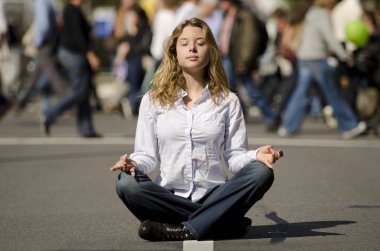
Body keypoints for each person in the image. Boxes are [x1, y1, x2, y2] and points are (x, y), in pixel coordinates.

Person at [110, 18, 283, 241]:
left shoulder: (228, 101)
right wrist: (133, 163)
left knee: (261, 172)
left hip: (214, 196)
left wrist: (256, 156)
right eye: (184, 43)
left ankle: (183, 229)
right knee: (126, 183)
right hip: (168, 197)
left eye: (200, 43)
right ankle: (221, 223)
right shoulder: (152, 101)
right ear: (174, 51)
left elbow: (234, 157)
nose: (192, 48)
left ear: (210, 50)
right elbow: (147, 156)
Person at [277, 0, 367, 139]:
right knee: (333, 93)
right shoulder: (321, 14)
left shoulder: (310, 13)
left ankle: (287, 126)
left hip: (304, 57)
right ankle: (350, 126)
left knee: (300, 94)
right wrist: (343, 56)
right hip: (317, 58)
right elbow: (330, 38)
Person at [41, 0, 101, 137]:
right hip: (74, 55)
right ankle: (50, 113)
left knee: (84, 91)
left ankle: (86, 128)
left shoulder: (72, 10)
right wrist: (90, 54)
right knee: (80, 91)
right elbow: (77, 37)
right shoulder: (72, 10)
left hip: (72, 54)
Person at [218, 0, 278, 129]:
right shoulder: (227, 14)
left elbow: (250, 39)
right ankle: (239, 115)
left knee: (250, 89)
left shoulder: (245, 15)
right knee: (230, 89)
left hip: (238, 58)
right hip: (227, 57)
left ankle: (271, 116)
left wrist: (245, 60)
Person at [16, 0, 68, 113]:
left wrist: (37, 41)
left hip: (44, 43)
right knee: (35, 76)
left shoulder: (41, 2)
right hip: (48, 43)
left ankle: (64, 100)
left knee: (51, 74)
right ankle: (21, 101)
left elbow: (43, 25)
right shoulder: (49, 3)